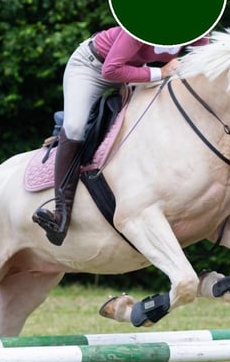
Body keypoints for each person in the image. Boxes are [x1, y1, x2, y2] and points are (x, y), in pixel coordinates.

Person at [32, 26, 209, 246]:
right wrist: (161, 73)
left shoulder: (197, 28)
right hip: (92, 68)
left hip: (134, 71)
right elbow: (111, 70)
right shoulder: (137, 26)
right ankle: (60, 215)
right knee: (76, 127)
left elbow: (203, 62)